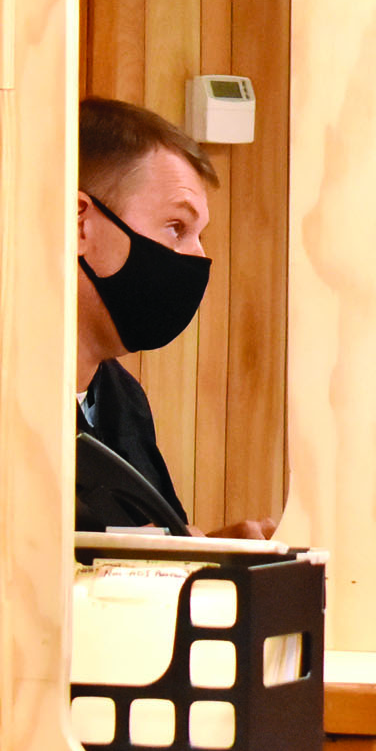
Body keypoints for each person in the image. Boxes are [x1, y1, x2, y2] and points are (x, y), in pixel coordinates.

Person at [76, 96, 271, 540]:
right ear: (80, 225)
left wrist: (213, 555)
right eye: (176, 228)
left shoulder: (122, 398)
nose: (197, 258)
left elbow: (137, 548)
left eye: (199, 235)